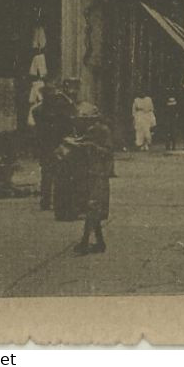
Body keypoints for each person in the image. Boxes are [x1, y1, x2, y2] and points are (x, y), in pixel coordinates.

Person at [64, 102, 112, 255]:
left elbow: (107, 151)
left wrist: (91, 146)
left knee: (93, 207)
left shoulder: (102, 130)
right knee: (92, 208)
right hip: (89, 172)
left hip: (99, 173)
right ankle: (100, 242)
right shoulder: (90, 130)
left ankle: (85, 241)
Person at [31, 80, 75, 210]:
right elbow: (69, 120)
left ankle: (45, 201)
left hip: (44, 145)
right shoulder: (60, 110)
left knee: (46, 173)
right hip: (57, 144)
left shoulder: (37, 110)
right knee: (58, 173)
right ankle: (56, 201)